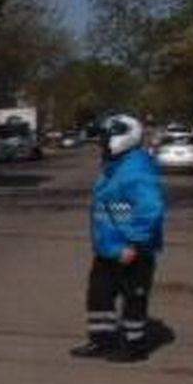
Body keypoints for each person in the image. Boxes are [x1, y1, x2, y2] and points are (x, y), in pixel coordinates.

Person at [70, 114, 168, 363]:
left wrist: (134, 243)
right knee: (99, 295)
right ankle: (102, 341)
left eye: (104, 140)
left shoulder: (137, 170)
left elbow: (151, 209)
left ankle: (135, 346)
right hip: (109, 248)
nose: (101, 145)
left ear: (122, 139)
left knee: (133, 298)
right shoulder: (114, 167)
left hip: (132, 249)